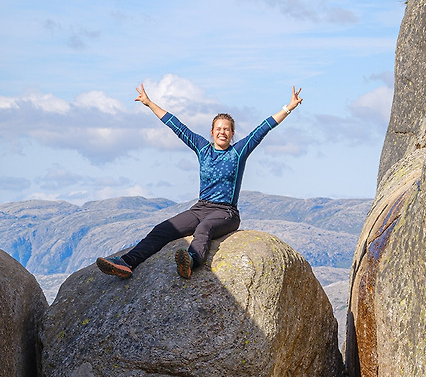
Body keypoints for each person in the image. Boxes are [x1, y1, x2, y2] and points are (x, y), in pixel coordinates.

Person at [96, 82, 303, 280]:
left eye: (227, 129)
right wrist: (149, 103)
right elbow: (177, 126)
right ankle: (126, 263)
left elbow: (263, 128)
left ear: (232, 134)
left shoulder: (238, 152)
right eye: (218, 129)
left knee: (204, 228)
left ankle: (191, 261)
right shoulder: (202, 149)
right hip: (200, 208)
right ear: (212, 132)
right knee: (163, 229)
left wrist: (289, 107)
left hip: (226, 212)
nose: (222, 132)